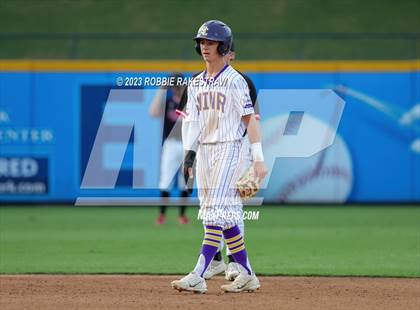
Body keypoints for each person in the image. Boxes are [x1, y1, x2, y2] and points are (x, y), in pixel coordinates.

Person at [171, 20, 267, 293]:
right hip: (205, 152)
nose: (205, 47)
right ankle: (247, 273)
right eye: (202, 42)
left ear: (224, 47)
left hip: (229, 148)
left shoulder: (236, 81)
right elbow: (192, 124)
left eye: (210, 42)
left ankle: (198, 273)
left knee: (217, 212)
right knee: (216, 214)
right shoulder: (196, 83)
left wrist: (258, 159)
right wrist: (188, 156)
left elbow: (250, 120)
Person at [149, 73, 189, 225]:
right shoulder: (167, 102)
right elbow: (153, 113)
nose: (176, 88)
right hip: (171, 144)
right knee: (166, 180)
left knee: (185, 181)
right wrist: (161, 89)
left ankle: (182, 216)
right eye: (174, 85)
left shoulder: (190, 102)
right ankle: (162, 215)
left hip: (187, 144)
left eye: (179, 85)